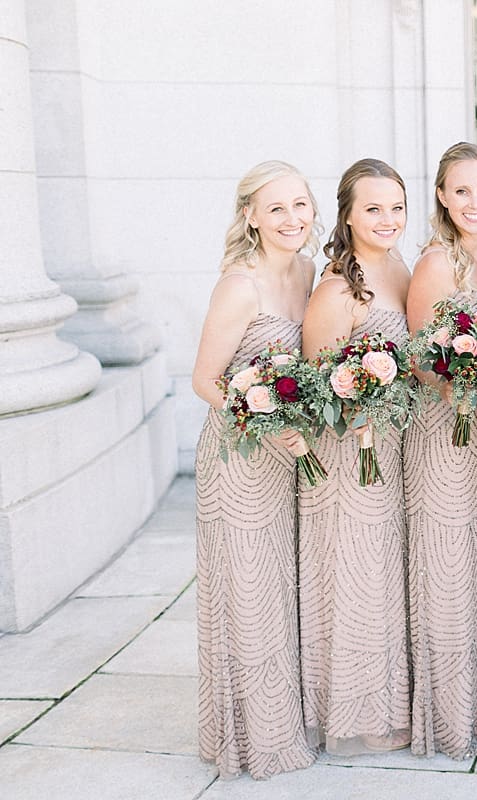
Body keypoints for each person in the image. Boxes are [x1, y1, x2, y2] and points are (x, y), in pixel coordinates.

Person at [191, 160, 319, 779]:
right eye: (276, 209)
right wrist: (265, 420)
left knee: (282, 591)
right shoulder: (239, 285)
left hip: (287, 459)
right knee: (248, 593)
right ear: (250, 216)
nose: (292, 219)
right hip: (239, 458)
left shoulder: (308, 272)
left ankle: (284, 716)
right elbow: (204, 381)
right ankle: (251, 737)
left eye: (300, 205)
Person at [297, 158, 412, 755]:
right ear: (346, 215)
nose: (387, 218)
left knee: (385, 579)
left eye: (395, 206)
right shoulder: (339, 286)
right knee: (356, 579)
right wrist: (359, 400)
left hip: (396, 449)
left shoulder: (397, 267)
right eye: (372, 208)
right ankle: (355, 716)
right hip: (351, 454)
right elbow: (319, 383)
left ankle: (389, 702)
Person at [403, 142, 477, 758]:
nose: (475, 202)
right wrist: (455, 383)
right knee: (443, 568)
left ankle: (471, 705)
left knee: (469, 570)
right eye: (461, 191)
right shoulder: (436, 262)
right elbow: (415, 356)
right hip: (441, 433)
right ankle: (442, 718)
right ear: (441, 195)